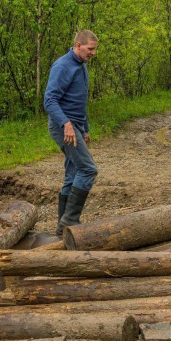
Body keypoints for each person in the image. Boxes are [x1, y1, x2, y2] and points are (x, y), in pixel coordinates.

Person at [44, 30, 99, 236]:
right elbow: (49, 100)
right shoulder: (62, 66)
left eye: (95, 49)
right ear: (78, 45)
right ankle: (70, 221)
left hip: (75, 125)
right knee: (88, 169)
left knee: (73, 172)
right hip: (63, 127)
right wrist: (66, 123)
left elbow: (79, 102)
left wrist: (85, 128)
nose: (93, 53)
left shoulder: (81, 66)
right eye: (90, 49)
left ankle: (62, 228)